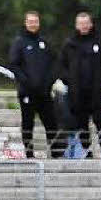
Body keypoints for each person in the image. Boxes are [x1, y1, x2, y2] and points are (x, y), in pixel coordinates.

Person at [58, 12, 101, 158]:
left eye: (86, 23)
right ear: (76, 25)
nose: (83, 26)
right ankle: (86, 151)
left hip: (96, 91)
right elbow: (61, 66)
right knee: (81, 123)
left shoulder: (100, 42)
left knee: (100, 121)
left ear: (91, 24)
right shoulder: (69, 44)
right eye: (80, 23)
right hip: (77, 93)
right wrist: (68, 79)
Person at [9, 11, 63, 158]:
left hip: (44, 92)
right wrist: (26, 82)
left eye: (35, 21)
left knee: (51, 122)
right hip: (27, 92)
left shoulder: (44, 42)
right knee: (28, 123)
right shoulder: (19, 43)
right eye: (30, 21)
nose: (33, 24)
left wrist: (49, 81)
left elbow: (55, 63)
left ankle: (55, 153)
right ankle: (29, 153)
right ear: (25, 23)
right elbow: (14, 65)